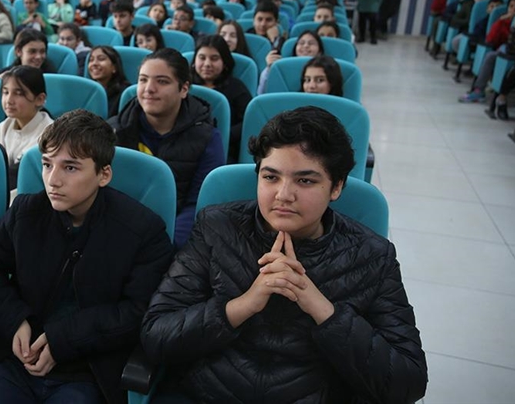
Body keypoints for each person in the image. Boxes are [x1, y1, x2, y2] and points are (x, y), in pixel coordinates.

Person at [141, 105, 428, 403]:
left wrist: (321, 309)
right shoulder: (217, 227)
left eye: (305, 180)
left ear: (336, 187)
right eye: (270, 177)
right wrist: (242, 305)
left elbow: (407, 381)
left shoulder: (372, 255)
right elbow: (156, 335)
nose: (283, 195)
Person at [0, 108, 174, 404]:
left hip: (89, 370)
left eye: (70, 167)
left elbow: (139, 311)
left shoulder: (143, 230)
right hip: (17, 361)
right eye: (47, 165)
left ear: (103, 174)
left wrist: (63, 340)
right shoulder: (25, 212)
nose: (52, 180)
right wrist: (15, 319)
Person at [108, 48, 223, 246]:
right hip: (119, 233)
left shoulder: (207, 137)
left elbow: (199, 205)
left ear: (184, 89)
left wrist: (167, 244)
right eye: (143, 80)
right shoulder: (113, 131)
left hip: (177, 239)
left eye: (162, 81)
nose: (149, 89)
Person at [192, 35, 251, 163]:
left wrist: (224, 134)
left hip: (225, 149)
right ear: (194, 61)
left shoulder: (236, 87)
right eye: (202, 58)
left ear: (224, 62)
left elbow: (249, 120)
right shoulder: (184, 86)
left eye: (214, 58)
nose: (207, 64)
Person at [0, 65, 53, 184]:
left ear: (40, 99)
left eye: (19, 93)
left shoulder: (49, 135)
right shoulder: (4, 127)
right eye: (5, 92)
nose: (9, 100)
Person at [460, 0, 515, 103]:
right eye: (511, 6)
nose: (514, 9)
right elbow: (490, 39)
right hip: (503, 52)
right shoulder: (502, 21)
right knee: (492, 54)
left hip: (512, 53)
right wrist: (500, 22)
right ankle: (479, 91)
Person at [87, 46, 129, 117]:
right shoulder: (86, 90)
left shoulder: (125, 94)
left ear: (114, 67)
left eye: (101, 59)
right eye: (91, 60)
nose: (94, 63)